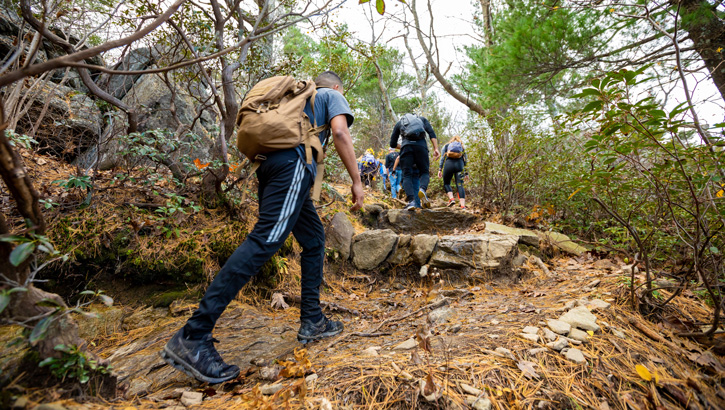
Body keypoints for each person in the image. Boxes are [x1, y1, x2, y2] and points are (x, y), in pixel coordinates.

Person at [160, 71, 364, 384]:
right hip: (294, 165)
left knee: (313, 239)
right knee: (264, 241)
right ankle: (193, 335)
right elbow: (339, 134)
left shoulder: (299, 100)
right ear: (336, 86)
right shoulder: (329, 94)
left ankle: (313, 321)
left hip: (271, 166)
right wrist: (357, 181)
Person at [390, 113, 440, 210]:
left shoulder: (400, 123)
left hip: (406, 148)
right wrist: (436, 149)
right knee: (424, 172)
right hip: (421, 147)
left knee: (407, 175)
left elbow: (392, 144)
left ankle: (411, 201)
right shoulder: (422, 120)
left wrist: (404, 145)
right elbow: (431, 133)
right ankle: (423, 189)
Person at [438, 135, 468, 209]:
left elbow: (442, 158)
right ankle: (463, 206)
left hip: (449, 165)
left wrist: (440, 169)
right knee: (460, 185)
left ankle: (451, 199)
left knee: (447, 183)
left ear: (451, 140)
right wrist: (466, 173)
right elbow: (465, 161)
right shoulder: (462, 147)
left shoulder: (446, 146)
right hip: (459, 166)